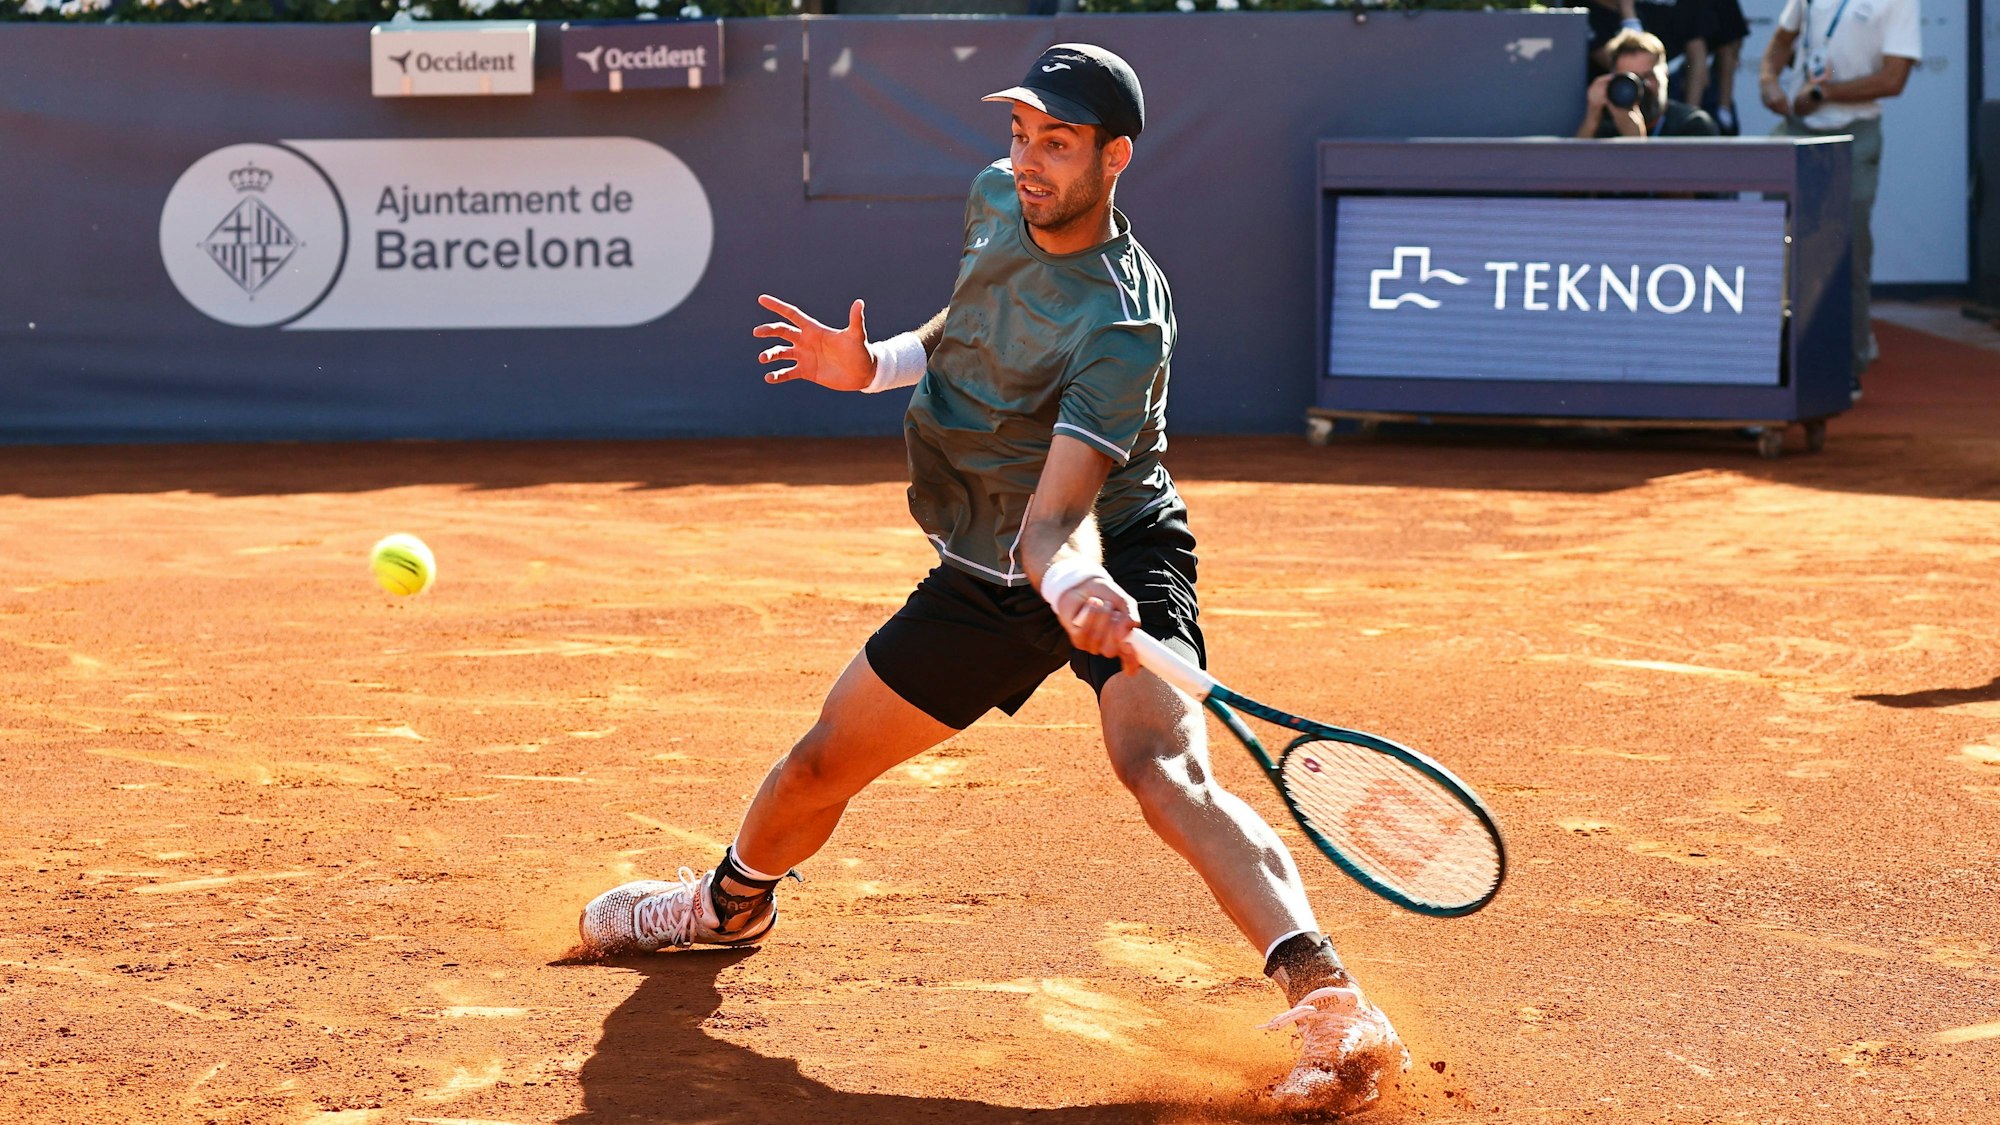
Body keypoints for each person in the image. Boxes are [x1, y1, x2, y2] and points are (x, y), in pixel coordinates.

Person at [575, 42, 1410, 1112]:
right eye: (1019, 133)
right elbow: (967, 331)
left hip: (1110, 549)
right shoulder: (991, 198)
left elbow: (1057, 521)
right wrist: (873, 366)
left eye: (1055, 143)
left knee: (1161, 771)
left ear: (1114, 158)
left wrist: (1078, 593)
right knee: (815, 768)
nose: (1026, 160)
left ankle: (1331, 1003)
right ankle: (727, 904)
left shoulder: (1121, 319)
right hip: (984, 571)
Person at [1761, 0, 1921, 399]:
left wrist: (1826, 93)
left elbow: (1893, 79)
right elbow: (1782, 39)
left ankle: (1847, 362)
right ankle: (1768, 355)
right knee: (1770, 234)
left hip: (1856, 131)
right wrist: (1768, 80)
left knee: (1846, 245)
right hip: (1797, 128)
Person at [1578, 28, 1721, 139]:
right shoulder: (1609, 125)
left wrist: (1635, 140)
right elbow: (1573, 169)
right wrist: (1592, 116)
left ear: (1665, 75)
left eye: (1647, 77)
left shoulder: (1694, 126)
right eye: (1630, 79)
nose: (1640, 87)